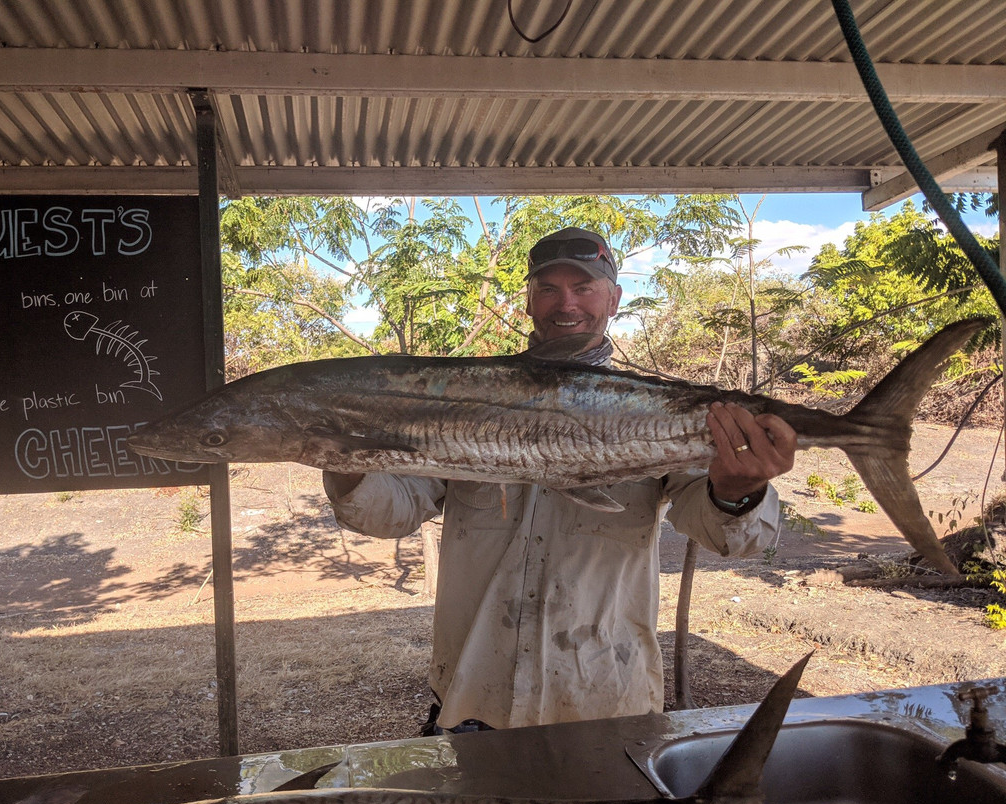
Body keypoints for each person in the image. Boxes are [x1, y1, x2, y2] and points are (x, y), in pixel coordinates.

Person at [323, 227, 797, 733]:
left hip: (603, 698)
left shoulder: (659, 411)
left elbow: (733, 538)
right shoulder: (465, 402)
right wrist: (344, 458)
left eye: (584, 287)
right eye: (548, 289)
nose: (565, 303)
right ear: (528, 301)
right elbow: (390, 511)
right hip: (476, 698)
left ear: (613, 299)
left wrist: (735, 492)